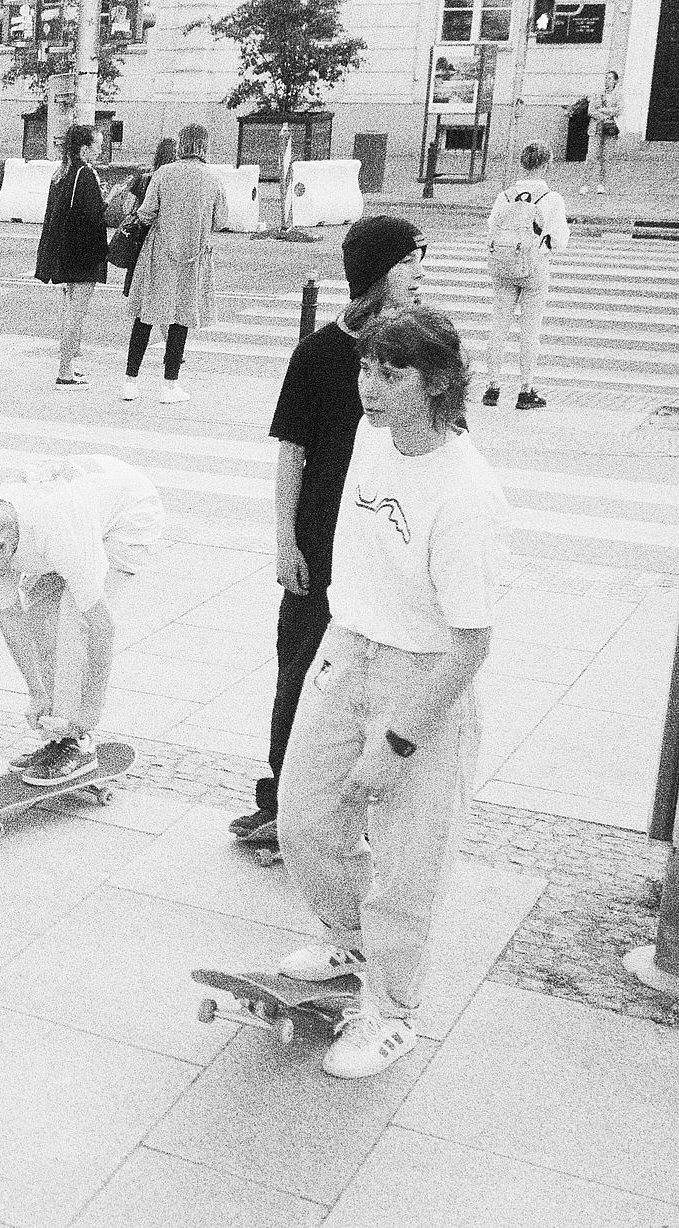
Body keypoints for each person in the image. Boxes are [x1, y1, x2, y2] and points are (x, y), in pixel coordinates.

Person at [276, 306, 508, 1080]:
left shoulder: (467, 495)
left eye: (390, 372)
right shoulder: (374, 440)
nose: (368, 386)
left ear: (438, 383)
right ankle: (345, 936)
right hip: (348, 649)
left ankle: (394, 1010)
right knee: (304, 813)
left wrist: (400, 739)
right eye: (366, 368)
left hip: (425, 673)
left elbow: (472, 644)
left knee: (410, 861)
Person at [233, 216, 428, 851]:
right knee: (299, 669)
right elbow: (293, 452)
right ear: (380, 275)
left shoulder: (415, 355)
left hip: (384, 541)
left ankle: (353, 807)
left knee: (375, 678)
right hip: (319, 540)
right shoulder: (317, 356)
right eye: (410, 264)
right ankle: (280, 799)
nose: (421, 276)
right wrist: (283, 539)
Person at [0, 455, 164, 786]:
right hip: (77, 513)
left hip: (129, 515)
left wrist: (90, 711)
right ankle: (59, 736)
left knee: (73, 619)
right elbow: (11, 617)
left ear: (1, 547)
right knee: (40, 613)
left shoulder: (58, 529)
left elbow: (101, 626)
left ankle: (78, 743)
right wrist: (36, 693)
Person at [124, 124, 226, 405]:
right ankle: (170, 386)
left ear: (181, 145)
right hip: (193, 259)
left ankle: (130, 382)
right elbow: (221, 221)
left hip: (159, 254)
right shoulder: (212, 179)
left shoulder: (163, 173)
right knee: (181, 318)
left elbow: (145, 213)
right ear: (205, 146)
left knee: (146, 315)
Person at [481, 141, 569, 412]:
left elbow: (492, 226)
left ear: (522, 163)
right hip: (534, 267)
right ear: (547, 164)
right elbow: (558, 240)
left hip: (503, 265)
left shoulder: (505, 196)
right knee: (530, 330)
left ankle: (492, 387)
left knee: (499, 325)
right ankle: (525, 390)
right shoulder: (550, 198)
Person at [34, 123, 109, 390]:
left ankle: (71, 365)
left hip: (65, 250)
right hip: (83, 253)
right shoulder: (85, 174)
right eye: (98, 145)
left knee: (70, 311)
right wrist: (106, 200)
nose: (101, 151)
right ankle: (65, 371)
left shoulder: (62, 172)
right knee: (76, 314)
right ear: (84, 149)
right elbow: (91, 215)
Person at [115, 139, 180, 299]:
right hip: (165, 237)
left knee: (138, 289)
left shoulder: (143, 179)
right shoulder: (174, 182)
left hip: (140, 237)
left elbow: (127, 209)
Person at [582, 70, 622, 195]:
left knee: (606, 157)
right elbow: (591, 110)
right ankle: (585, 183)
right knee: (592, 156)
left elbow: (619, 110)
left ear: (615, 81)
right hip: (596, 128)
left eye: (610, 78)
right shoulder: (597, 94)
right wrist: (603, 116)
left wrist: (604, 110)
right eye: (606, 78)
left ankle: (602, 184)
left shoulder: (618, 95)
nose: (607, 81)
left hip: (609, 130)